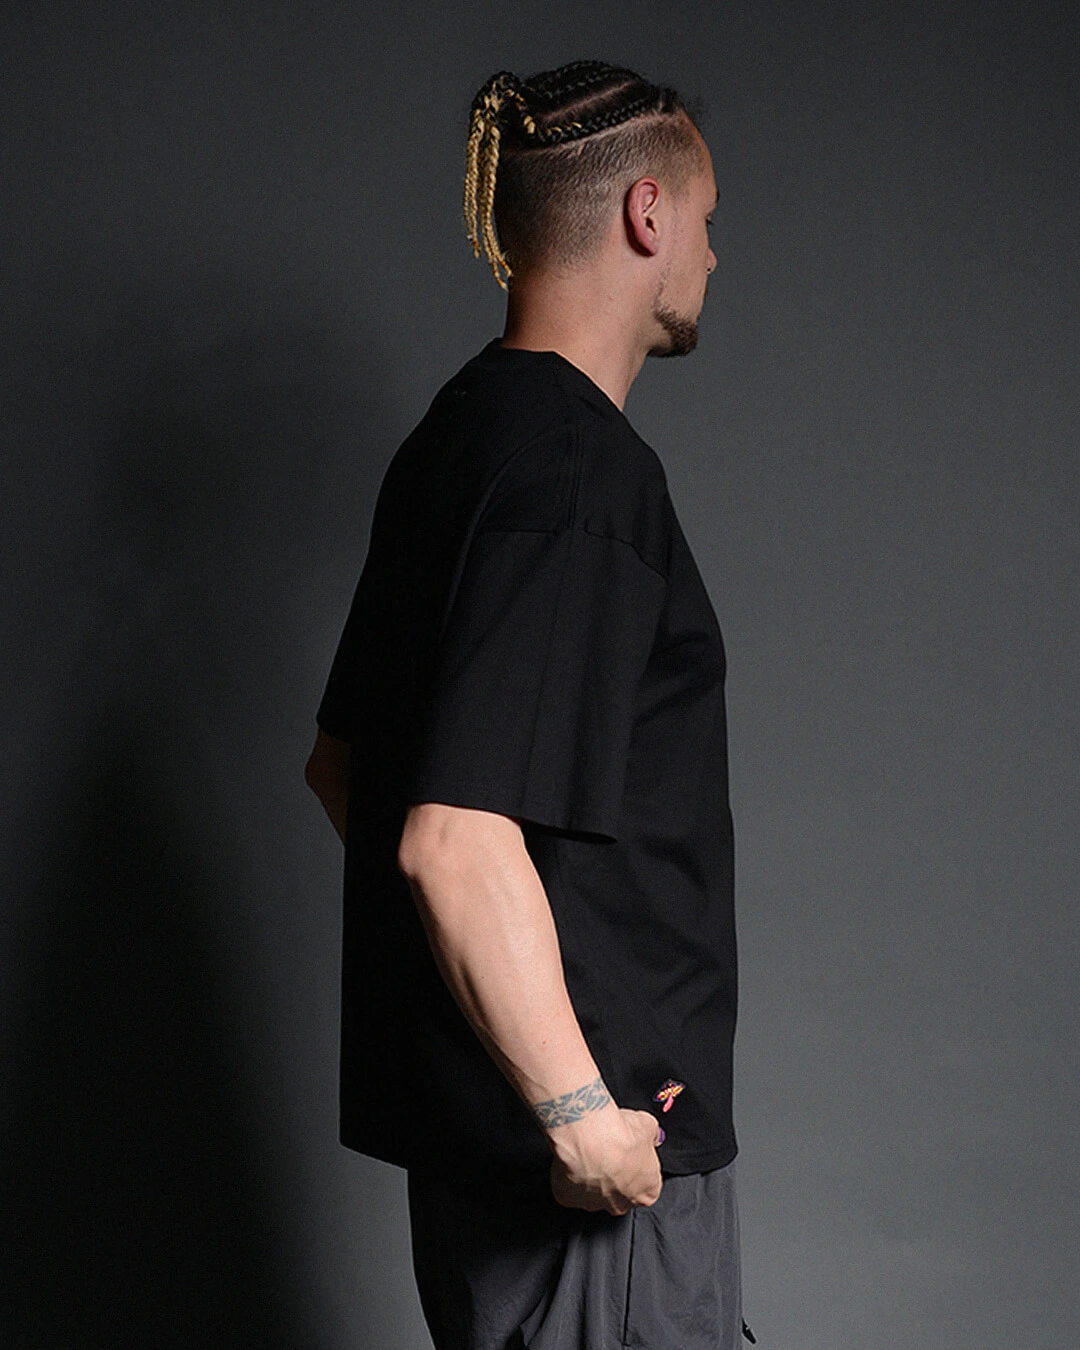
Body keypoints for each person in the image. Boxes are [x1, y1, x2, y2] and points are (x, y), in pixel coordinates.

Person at [305, 60, 755, 1350]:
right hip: (593, 1170)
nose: (714, 257)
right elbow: (447, 838)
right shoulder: (577, 473)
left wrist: (500, 1039)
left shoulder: (455, 440)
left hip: (496, 1165)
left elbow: (346, 768)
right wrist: (576, 1108)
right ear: (648, 213)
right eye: (708, 222)